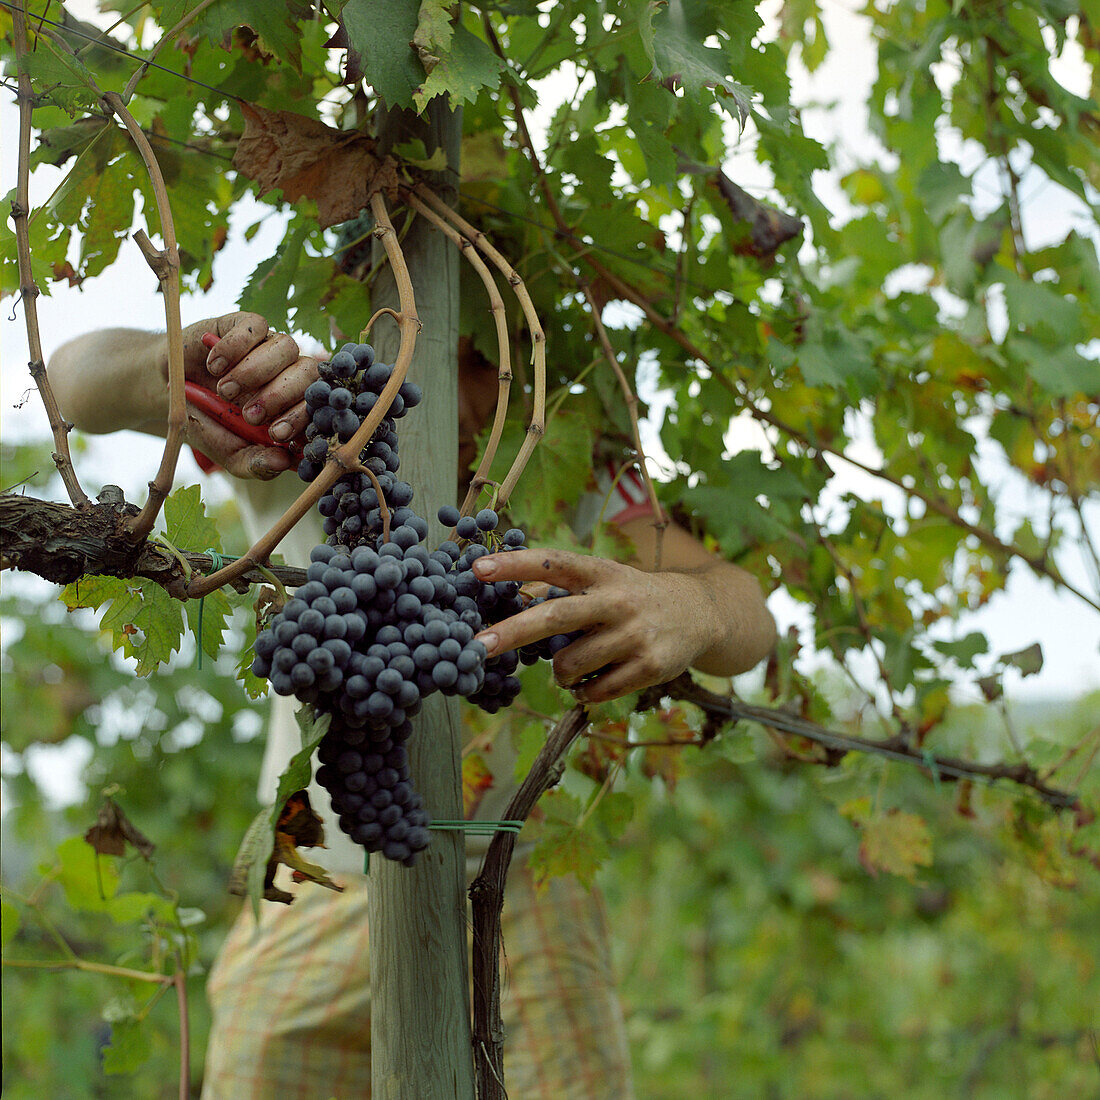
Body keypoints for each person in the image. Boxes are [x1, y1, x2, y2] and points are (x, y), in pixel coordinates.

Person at [49, 311, 776, 1098]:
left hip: (521, 882)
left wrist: (692, 608)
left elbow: (747, 618)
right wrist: (166, 358)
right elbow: (71, 379)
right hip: (311, 862)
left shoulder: (572, 462)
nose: (461, 388)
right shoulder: (323, 421)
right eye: (444, 352)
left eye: (480, 359)